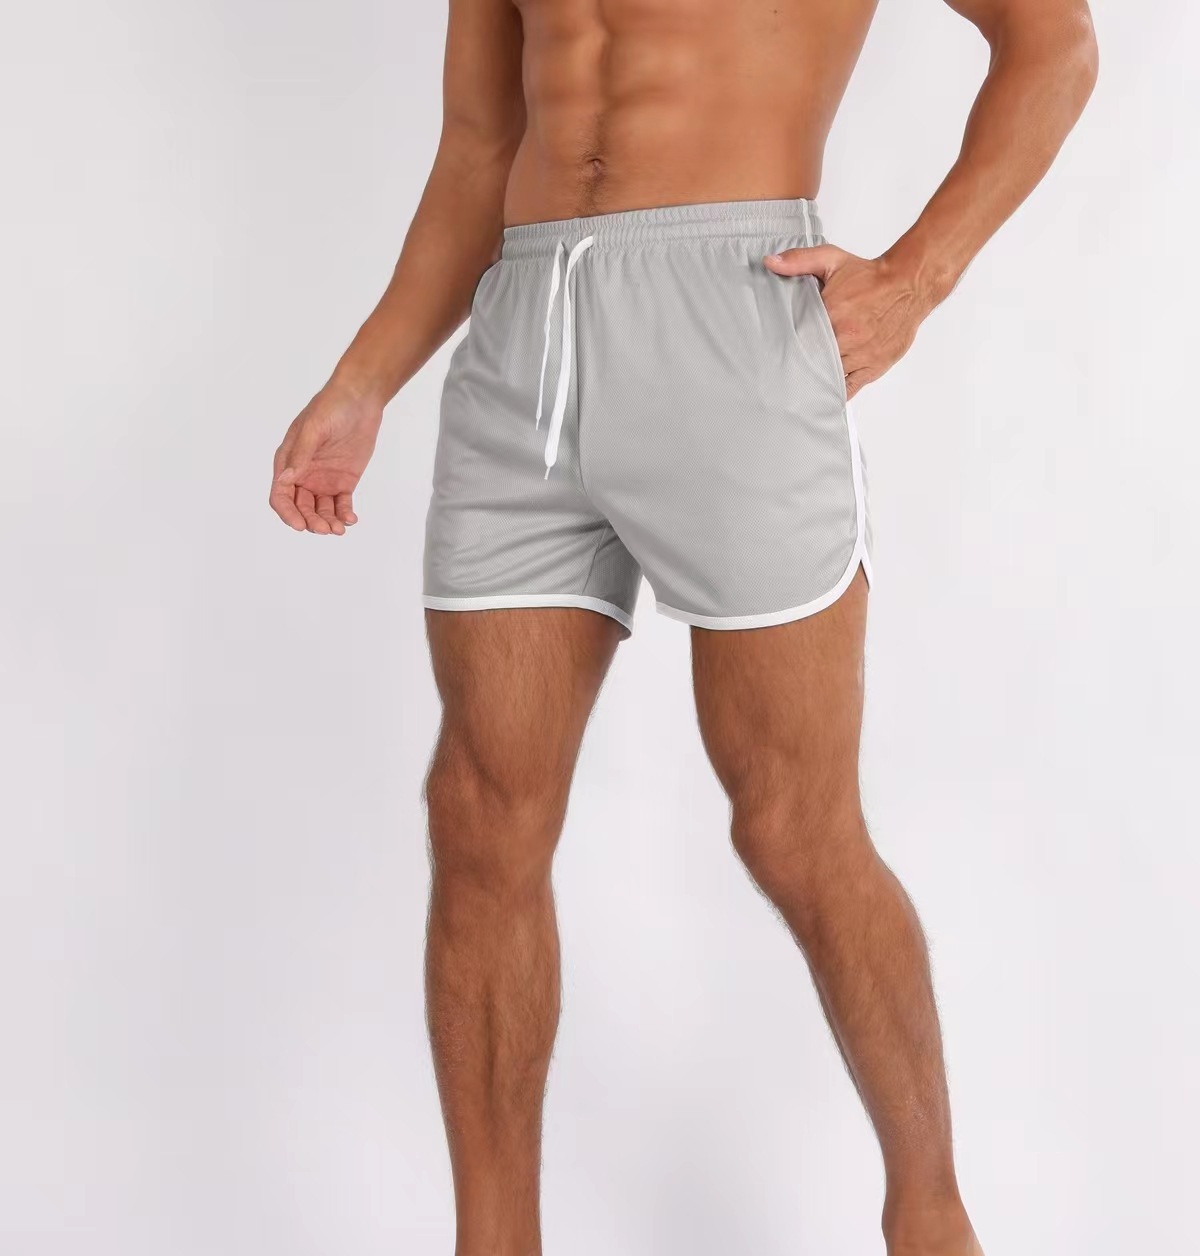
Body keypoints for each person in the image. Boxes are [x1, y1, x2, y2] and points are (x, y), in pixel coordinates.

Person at [270, 0, 1097, 1251]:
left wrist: (917, 278)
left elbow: (1056, 42)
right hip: (524, 338)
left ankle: (931, 1217)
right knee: (480, 815)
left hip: (735, 312)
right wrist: (363, 378)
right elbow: (480, 144)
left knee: (794, 824)